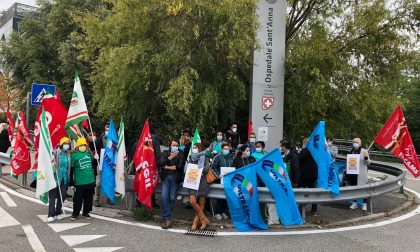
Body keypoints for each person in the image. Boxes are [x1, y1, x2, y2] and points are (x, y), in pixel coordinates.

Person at [69, 137, 97, 221]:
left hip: (90, 180)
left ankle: (86, 212)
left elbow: (93, 164)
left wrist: (96, 159)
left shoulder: (89, 153)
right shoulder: (74, 155)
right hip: (79, 181)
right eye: (81, 145)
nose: (83, 146)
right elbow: (71, 169)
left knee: (88, 198)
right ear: (77, 146)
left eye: (84, 145)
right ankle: (75, 214)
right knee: (77, 199)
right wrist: (71, 181)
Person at [158, 140, 184, 229]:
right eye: (173, 145)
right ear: (170, 146)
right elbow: (161, 163)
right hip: (165, 178)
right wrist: (170, 157)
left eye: (177, 145)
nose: (175, 146)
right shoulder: (165, 153)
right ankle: (167, 219)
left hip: (175, 178)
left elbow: (180, 166)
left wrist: (168, 167)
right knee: (164, 196)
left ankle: (167, 218)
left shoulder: (181, 153)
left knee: (172, 198)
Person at [47, 137, 72, 222]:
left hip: (64, 178)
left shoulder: (68, 154)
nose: (67, 145)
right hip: (55, 178)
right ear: (61, 144)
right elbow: (49, 163)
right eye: (65, 144)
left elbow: (68, 166)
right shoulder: (55, 153)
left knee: (63, 195)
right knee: (52, 196)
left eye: (68, 144)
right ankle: (51, 214)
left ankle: (58, 212)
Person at [188, 143, 210, 230]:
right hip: (192, 180)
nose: (194, 149)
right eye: (193, 147)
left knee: (201, 203)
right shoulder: (191, 157)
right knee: (192, 201)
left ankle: (195, 222)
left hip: (202, 181)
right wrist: (194, 169)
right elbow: (188, 168)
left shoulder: (205, 157)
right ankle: (204, 219)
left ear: (200, 148)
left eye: (196, 147)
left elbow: (206, 169)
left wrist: (197, 168)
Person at [347, 137, 371, 211]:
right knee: (354, 189)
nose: (355, 143)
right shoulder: (351, 151)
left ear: (360, 143)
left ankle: (365, 204)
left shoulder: (364, 151)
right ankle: (354, 203)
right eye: (354, 142)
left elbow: (369, 162)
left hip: (361, 174)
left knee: (363, 189)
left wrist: (366, 158)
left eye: (357, 142)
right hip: (353, 174)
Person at [212, 143, 234, 220]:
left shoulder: (231, 157)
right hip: (219, 180)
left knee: (226, 196)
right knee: (220, 197)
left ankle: (223, 211)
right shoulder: (217, 157)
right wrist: (218, 175)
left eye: (228, 149)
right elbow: (213, 167)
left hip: (228, 180)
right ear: (222, 149)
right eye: (225, 149)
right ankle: (217, 212)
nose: (226, 150)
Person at [299, 138, 318, 216]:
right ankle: (314, 211)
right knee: (313, 193)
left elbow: (299, 158)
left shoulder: (306, 150)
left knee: (300, 192)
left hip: (305, 175)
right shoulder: (314, 150)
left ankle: (301, 210)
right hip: (313, 175)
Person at [87, 132, 103, 207]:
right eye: (89, 136)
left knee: (98, 183)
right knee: (90, 182)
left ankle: (96, 199)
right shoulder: (86, 143)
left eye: (92, 136)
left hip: (98, 165)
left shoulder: (99, 141)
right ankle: (88, 198)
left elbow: (101, 150)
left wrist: (98, 155)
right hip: (90, 165)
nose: (91, 137)